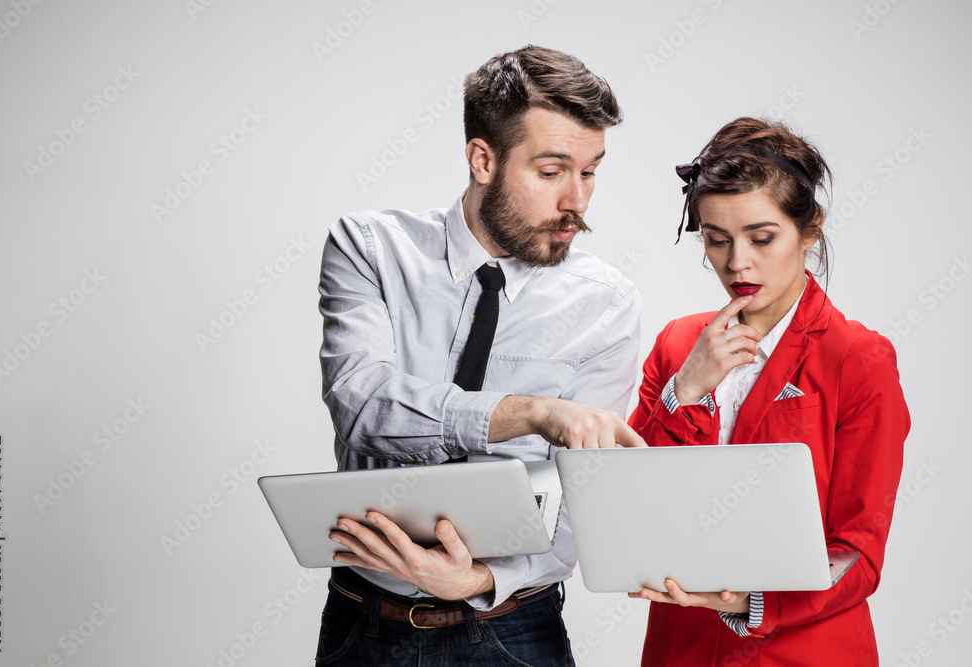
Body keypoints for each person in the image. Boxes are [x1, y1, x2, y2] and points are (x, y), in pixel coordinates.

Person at [316, 45, 644, 666]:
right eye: (551, 172)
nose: (577, 199)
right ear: (483, 159)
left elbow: (582, 501)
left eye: (591, 170)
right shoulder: (370, 249)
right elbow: (362, 406)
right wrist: (533, 413)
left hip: (514, 631)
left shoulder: (605, 304)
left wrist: (477, 583)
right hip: (365, 624)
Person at [626, 117, 909, 665]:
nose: (737, 263)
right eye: (716, 239)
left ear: (809, 230)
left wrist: (751, 601)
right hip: (680, 646)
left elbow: (858, 551)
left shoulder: (858, 359)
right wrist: (684, 391)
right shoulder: (680, 342)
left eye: (761, 238)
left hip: (804, 651)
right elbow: (628, 504)